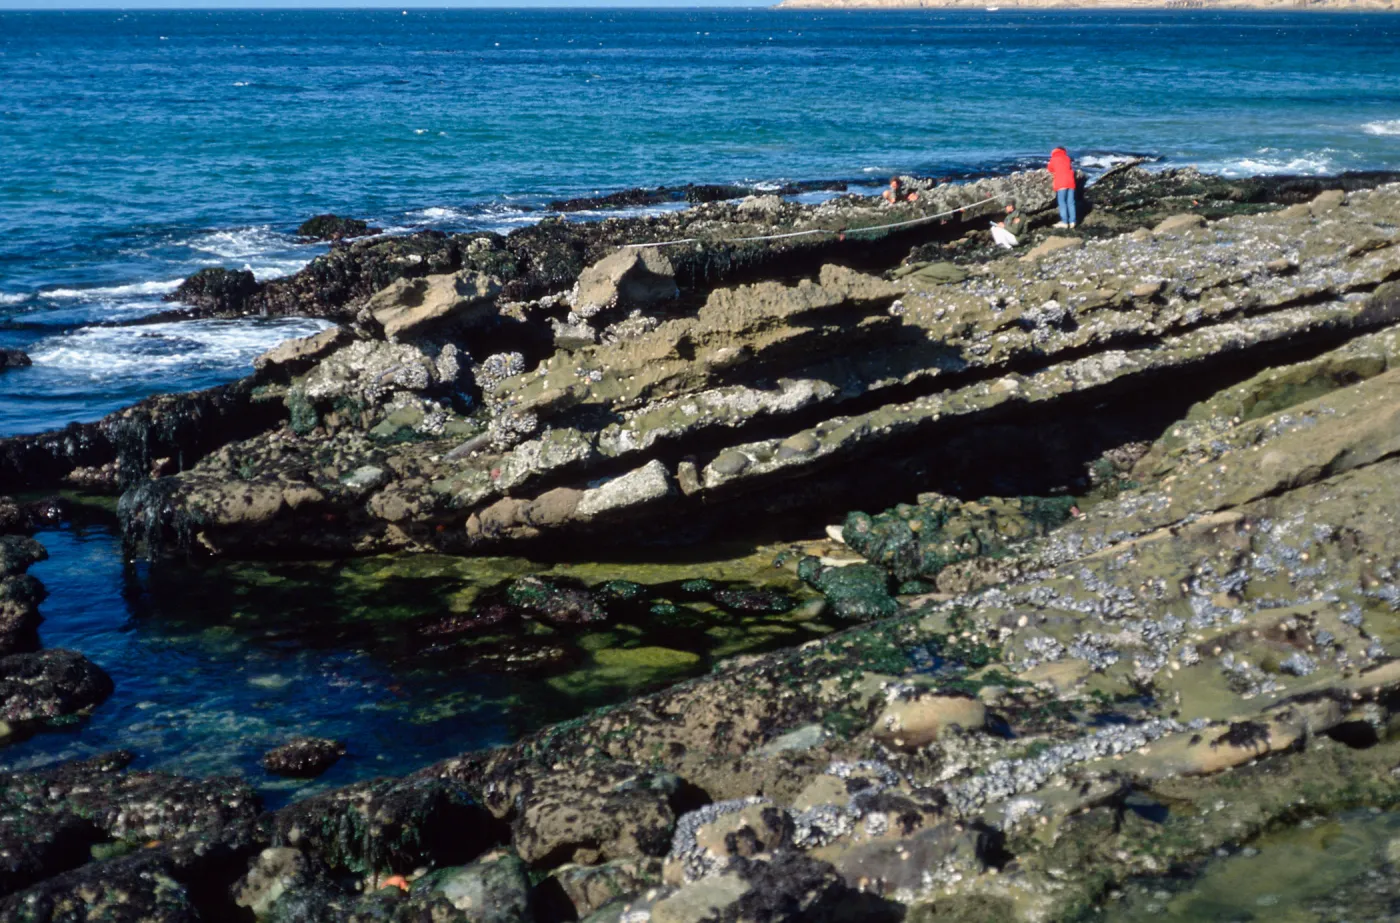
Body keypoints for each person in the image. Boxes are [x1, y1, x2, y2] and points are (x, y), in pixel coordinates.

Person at [1047, 147, 1077, 229]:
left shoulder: (1054, 159)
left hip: (1061, 183)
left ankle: (1064, 222)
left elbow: (1050, 169)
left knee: (1062, 203)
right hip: (1071, 182)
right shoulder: (1067, 158)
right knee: (1071, 202)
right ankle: (1072, 221)